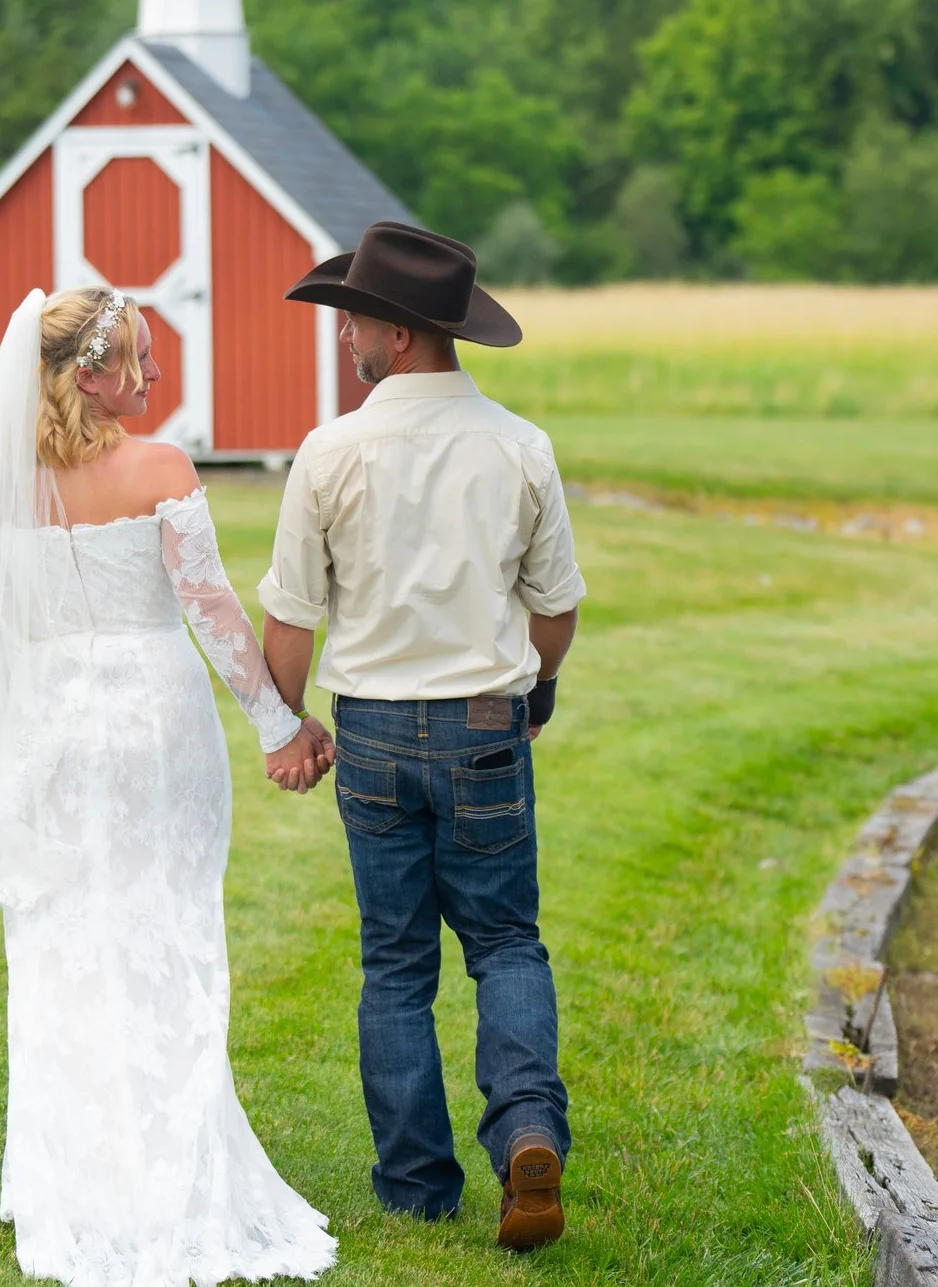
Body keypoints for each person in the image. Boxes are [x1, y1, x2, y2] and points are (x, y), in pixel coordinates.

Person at [0, 287, 337, 1287]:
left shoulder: (5, 483)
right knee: (169, 926)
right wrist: (281, 725)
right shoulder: (160, 469)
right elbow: (213, 611)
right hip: (151, 720)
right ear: (90, 372)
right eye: (137, 359)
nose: (151, 378)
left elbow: (0, 629)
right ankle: (169, 1165)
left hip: (52, 726)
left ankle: (71, 1175)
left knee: (58, 938)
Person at [257, 221, 586, 1252]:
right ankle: (527, 1128)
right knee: (504, 942)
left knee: (395, 964)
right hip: (488, 724)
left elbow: (291, 616)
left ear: (397, 334)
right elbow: (556, 606)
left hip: (374, 738)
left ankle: (415, 1183)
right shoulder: (519, 445)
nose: (344, 330)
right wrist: (536, 692)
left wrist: (288, 724)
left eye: (352, 315)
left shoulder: (330, 450)